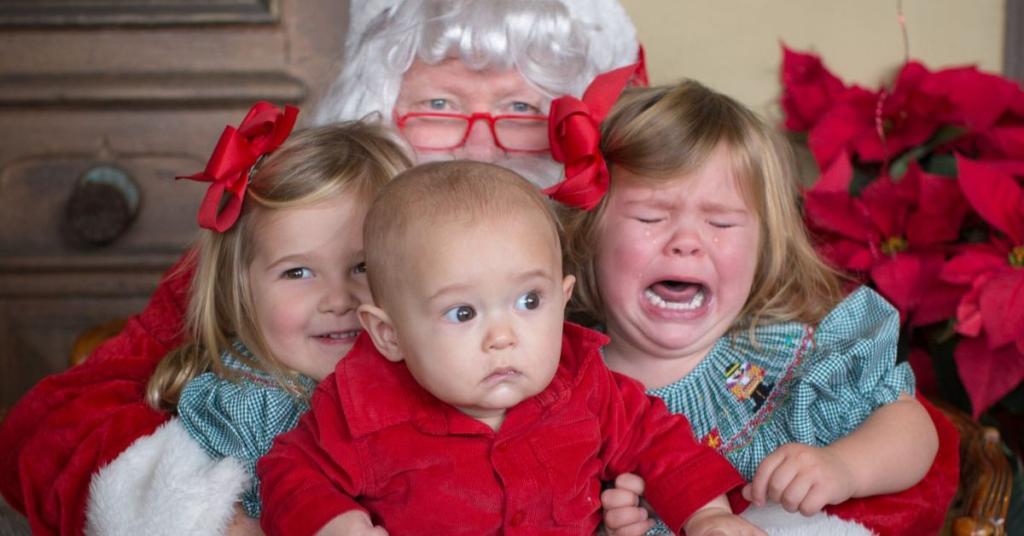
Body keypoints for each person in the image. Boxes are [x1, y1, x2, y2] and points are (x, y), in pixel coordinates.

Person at [0, 1, 643, 534]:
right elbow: (48, 426)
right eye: (440, 105)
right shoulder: (287, 237)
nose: (480, 143)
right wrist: (206, 515)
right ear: (379, 107)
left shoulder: (623, 256)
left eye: (524, 110)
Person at [257, 160, 760, 536]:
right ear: (389, 335)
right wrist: (335, 525)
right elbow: (290, 472)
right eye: (463, 313)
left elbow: (660, 442)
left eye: (529, 300)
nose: (503, 336)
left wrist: (707, 515)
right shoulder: (361, 407)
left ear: (563, 301)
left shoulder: (583, 382)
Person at [550, 80, 957, 535]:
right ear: (588, 235)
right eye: (651, 217)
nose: (687, 242)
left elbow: (913, 429)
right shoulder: (562, 394)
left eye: (720, 222)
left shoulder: (785, 360)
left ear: (761, 248)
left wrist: (843, 467)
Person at [85, 107, 411, 534]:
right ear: (240, 289)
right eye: (297, 272)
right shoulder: (247, 410)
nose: (338, 300)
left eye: (364, 267)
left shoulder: (436, 374)